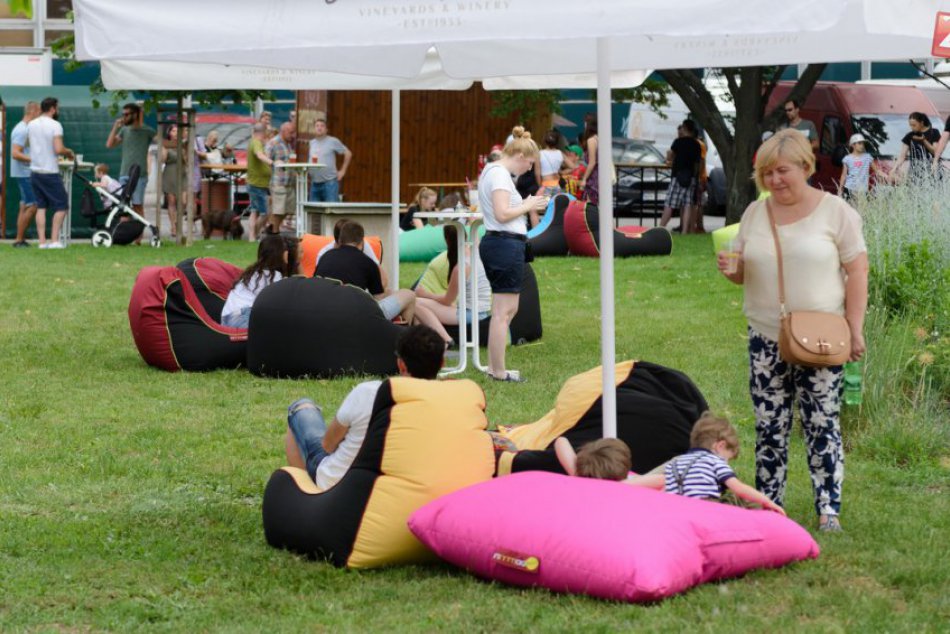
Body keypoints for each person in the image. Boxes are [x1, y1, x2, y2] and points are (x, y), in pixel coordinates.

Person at [716, 128, 868, 533]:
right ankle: (770, 505)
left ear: (805, 166)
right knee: (770, 425)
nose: (774, 180)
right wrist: (732, 271)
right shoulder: (755, 213)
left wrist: (855, 328)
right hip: (766, 335)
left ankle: (828, 509)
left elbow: (858, 272)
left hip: (822, 337)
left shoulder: (835, 212)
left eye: (782, 171)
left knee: (822, 423)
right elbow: (743, 272)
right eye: (767, 173)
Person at [283, 325, 445, 490]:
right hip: (400, 487)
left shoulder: (369, 393)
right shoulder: (446, 404)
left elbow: (327, 445)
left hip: (338, 483)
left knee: (299, 408)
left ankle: (304, 493)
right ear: (442, 363)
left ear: (401, 364)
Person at [555, 416, 785, 514]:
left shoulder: (580, 479)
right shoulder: (630, 486)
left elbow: (561, 442)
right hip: (671, 497)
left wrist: (577, 472)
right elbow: (663, 481)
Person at [478, 126, 548, 382]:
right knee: (503, 312)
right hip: (504, 244)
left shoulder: (493, 171)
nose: (529, 169)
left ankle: (495, 367)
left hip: (503, 244)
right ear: (519, 156)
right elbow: (502, 213)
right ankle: (497, 371)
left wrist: (528, 205)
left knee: (506, 310)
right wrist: (529, 204)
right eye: (529, 163)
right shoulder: (499, 175)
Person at [415, 224, 492, 330]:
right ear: (465, 236)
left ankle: (444, 338)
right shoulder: (478, 251)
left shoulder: (461, 267)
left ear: (447, 240)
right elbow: (475, 232)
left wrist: (425, 294)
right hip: (483, 312)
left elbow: (447, 301)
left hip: (470, 315)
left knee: (416, 303)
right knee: (423, 307)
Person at [28, 97, 74, 249]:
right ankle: (54, 240)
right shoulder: (55, 125)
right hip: (50, 171)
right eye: (57, 108)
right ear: (53, 109)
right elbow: (58, 149)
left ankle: (42, 242)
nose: (58, 111)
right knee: (62, 206)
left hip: (35, 171)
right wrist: (69, 152)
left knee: (41, 207)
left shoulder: (31, 124)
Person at [220, 235, 289, 328]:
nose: (288, 252)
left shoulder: (253, 272)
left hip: (226, 319)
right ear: (280, 253)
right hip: (243, 317)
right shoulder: (274, 276)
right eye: (285, 249)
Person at [105, 102, 156, 216]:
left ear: (135, 114)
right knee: (124, 207)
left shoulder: (147, 130)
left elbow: (163, 142)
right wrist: (115, 127)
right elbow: (109, 144)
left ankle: (140, 228)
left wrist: (182, 143)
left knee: (137, 206)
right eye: (123, 114)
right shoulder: (124, 130)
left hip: (140, 175)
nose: (124, 117)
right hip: (124, 173)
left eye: (127, 114)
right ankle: (126, 228)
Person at [659, 120, 702, 233]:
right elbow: (697, 163)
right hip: (690, 177)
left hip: (677, 176)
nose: (681, 129)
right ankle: (684, 231)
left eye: (682, 127)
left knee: (670, 203)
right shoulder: (696, 144)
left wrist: (669, 158)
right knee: (687, 204)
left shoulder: (678, 142)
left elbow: (670, 156)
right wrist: (696, 177)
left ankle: (660, 228)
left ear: (685, 128)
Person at [10, 101, 40, 248]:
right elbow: (15, 153)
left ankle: (19, 239)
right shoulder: (22, 130)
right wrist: (35, 159)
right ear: (32, 111)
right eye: (39, 112)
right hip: (25, 174)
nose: (40, 116)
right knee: (33, 205)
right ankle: (19, 240)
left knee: (24, 206)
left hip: (24, 172)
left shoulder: (25, 128)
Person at [308, 118, 352, 203]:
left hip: (329, 183)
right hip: (314, 183)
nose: (319, 128)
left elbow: (348, 153)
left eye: (322, 126)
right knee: (313, 210)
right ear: (314, 129)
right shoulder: (312, 143)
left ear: (326, 130)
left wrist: (343, 171)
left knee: (331, 209)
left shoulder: (332, 141)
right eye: (317, 126)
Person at [265, 122, 297, 234]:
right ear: (283, 131)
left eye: (293, 132)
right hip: (278, 182)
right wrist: (273, 163)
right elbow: (265, 160)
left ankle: (273, 229)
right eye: (291, 133)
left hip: (289, 183)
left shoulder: (288, 144)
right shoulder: (273, 143)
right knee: (278, 211)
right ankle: (273, 232)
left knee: (288, 210)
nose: (293, 135)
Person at [892, 112, 940, 184]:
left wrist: (923, 141)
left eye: (914, 125)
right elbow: (902, 156)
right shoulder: (910, 135)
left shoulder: (934, 132)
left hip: (931, 170)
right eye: (910, 125)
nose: (912, 127)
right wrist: (894, 169)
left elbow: (935, 152)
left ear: (921, 123)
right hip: (915, 172)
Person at [837, 133, 884, 202]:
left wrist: (886, 176)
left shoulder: (868, 157)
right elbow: (844, 175)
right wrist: (840, 189)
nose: (862, 145)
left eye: (863, 143)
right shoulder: (847, 159)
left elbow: (877, 171)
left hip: (862, 190)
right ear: (853, 145)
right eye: (859, 143)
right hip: (849, 189)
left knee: (861, 207)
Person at [245, 123, 271, 241]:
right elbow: (259, 155)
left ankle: (251, 237)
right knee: (265, 213)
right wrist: (272, 163)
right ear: (263, 133)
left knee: (254, 211)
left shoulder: (253, 142)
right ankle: (254, 234)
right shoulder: (256, 142)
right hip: (257, 184)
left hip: (255, 183)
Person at [161, 124, 185, 238]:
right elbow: (162, 160)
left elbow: (188, 159)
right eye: (173, 131)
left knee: (183, 201)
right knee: (172, 202)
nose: (176, 133)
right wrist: (164, 149)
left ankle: (178, 222)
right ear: (169, 133)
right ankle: (173, 226)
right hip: (170, 173)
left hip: (183, 173)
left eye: (177, 131)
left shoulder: (183, 144)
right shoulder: (166, 145)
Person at [578, 115, 600, 205]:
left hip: (593, 177)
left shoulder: (591, 140)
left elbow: (592, 162)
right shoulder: (599, 138)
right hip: (600, 175)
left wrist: (584, 179)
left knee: (589, 205)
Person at [538, 129, 565, 199]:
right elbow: (573, 166)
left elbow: (537, 173)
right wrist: (561, 172)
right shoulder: (560, 153)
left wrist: (539, 186)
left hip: (545, 184)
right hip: (557, 184)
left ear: (544, 141)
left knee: (544, 204)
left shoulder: (540, 153)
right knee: (555, 204)